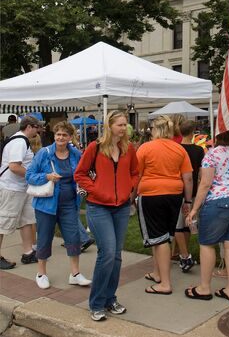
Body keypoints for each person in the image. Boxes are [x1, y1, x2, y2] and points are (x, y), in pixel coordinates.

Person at [74, 110, 139, 322]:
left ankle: (110, 298)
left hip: (120, 207)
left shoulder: (129, 149)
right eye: (119, 124)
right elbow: (80, 174)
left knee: (117, 255)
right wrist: (97, 191)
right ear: (109, 126)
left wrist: (130, 188)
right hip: (98, 207)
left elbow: (135, 172)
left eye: (124, 124)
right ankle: (96, 303)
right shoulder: (95, 148)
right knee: (107, 253)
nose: (123, 128)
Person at [185, 128, 229, 302]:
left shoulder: (211, 155)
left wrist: (194, 209)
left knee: (207, 244)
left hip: (219, 200)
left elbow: (205, 184)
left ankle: (205, 287)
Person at [25, 122, 91, 289]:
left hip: (69, 204)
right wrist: (47, 177)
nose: (61, 137)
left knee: (74, 238)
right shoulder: (44, 153)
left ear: (70, 137)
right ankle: (41, 273)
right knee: (45, 238)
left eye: (64, 135)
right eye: (58, 134)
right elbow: (29, 175)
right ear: (54, 136)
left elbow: (83, 173)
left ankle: (75, 274)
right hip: (46, 205)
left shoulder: (75, 153)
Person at [136, 115, 193, 295]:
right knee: (163, 236)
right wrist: (188, 200)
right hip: (174, 194)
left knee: (159, 238)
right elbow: (188, 177)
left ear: (155, 130)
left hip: (151, 194)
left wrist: (131, 195)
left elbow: (136, 174)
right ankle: (157, 273)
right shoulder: (179, 149)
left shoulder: (145, 148)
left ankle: (165, 283)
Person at [0, 116, 40, 270]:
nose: (39, 130)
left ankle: (28, 252)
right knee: (3, 222)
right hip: (12, 189)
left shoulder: (21, 140)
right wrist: (33, 177)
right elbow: (14, 167)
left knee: (27, 220)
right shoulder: (19, 141)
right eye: (37, 127)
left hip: (21, 188)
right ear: (29, 127)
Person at [174, 119, 205, 273]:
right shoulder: (199, 151)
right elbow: (200, 174)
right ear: (193, 133)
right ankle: (184, 255)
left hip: (177, 189)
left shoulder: (176, 148)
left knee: (181, 224)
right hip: (191, 190)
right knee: (186, 224)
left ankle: (182, 254)